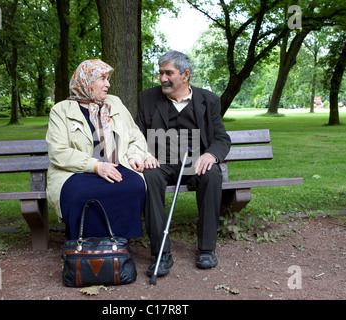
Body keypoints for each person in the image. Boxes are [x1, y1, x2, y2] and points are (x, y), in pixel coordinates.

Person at [136, 51, 232, 277]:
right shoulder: (147, 99)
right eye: (160, 73)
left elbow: (221, 137)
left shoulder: (209, 100)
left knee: (211, 174)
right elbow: (137, 134)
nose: (162, 78)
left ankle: (207, 249)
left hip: (195, 161)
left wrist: (211, 155)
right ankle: (161, 253)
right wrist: (144, 154)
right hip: (161, 161)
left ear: (185, 75)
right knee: (148, 178)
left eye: (168, 73)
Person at [46, 59, 150, 241]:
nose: (108, 84)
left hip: (117, 165)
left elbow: (136, 136)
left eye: (108, 79)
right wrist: (96, 166)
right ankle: (86, 246)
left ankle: (118, 244)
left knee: (134, 184)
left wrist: (135, 155)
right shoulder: (60, 110)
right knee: (79, 193)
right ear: (86, 80)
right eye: (102, 78)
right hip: (77, 172)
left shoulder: (115, 103)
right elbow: (58, 151)